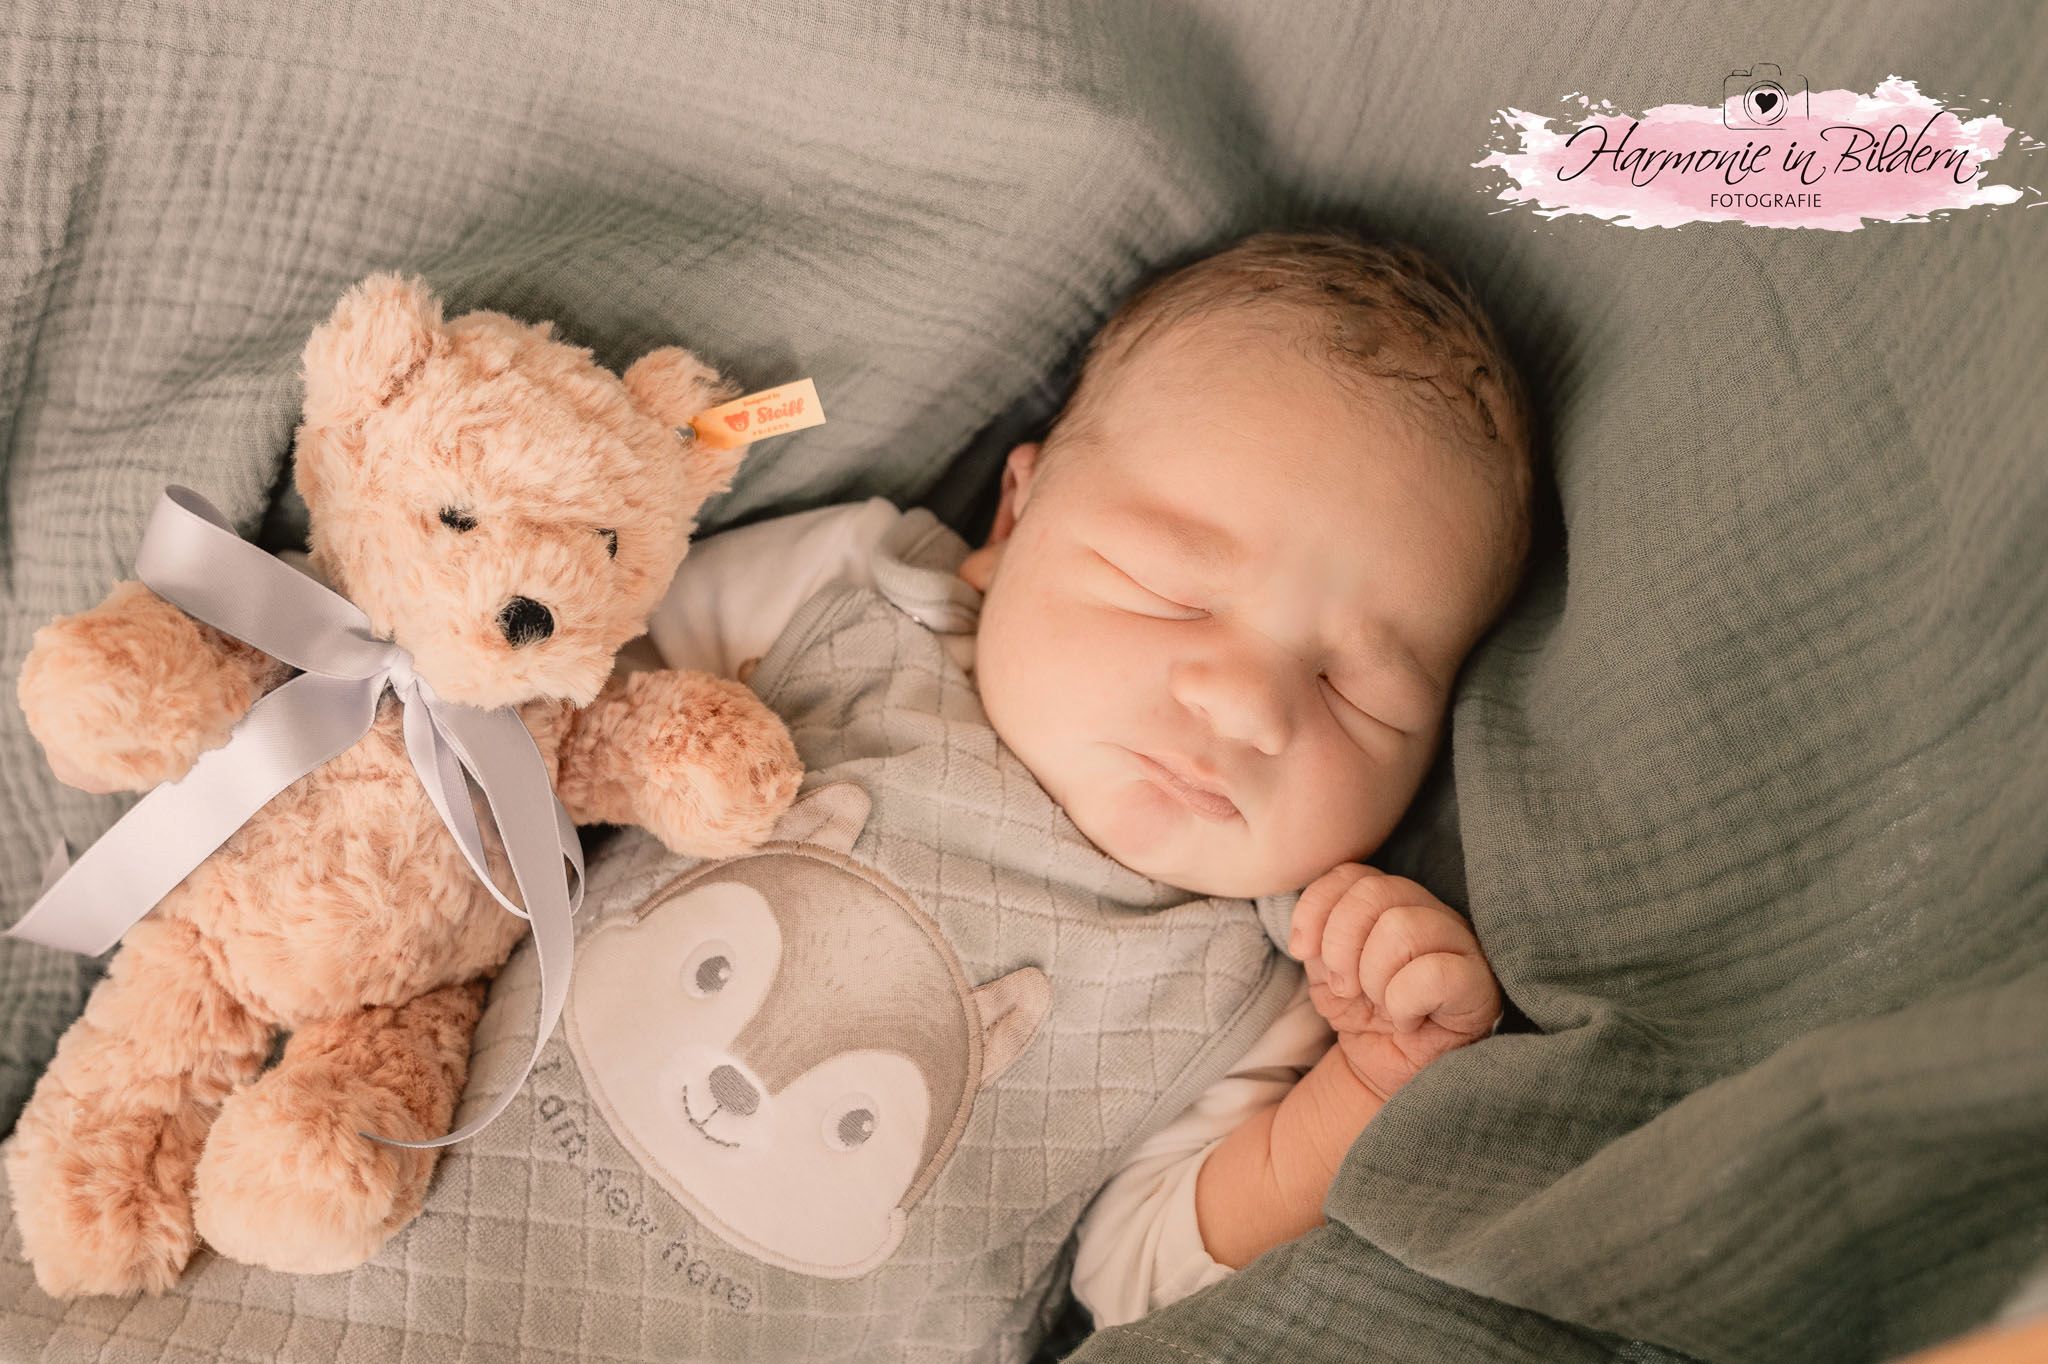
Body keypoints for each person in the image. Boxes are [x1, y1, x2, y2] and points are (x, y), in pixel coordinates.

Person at [625, 226, 1535, 1328]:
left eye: (1355, 687)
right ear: (1015, 519)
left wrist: (1368, 1082)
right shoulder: (853, 600)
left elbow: (1135, 1273)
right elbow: (586, 671)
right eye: (1173, 588)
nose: (1250, 705)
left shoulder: (1253, 986)